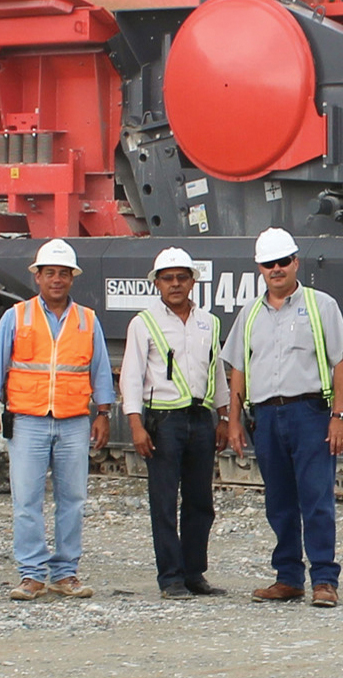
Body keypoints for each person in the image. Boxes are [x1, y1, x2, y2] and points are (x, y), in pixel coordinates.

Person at [221, 228, 343, 609]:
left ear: (296, 262)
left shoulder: (320, 305)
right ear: (260, 268)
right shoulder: (249, 315)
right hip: (266, 416)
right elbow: (239, 370)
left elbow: (340, 362)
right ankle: (288, 578)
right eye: (269, 264)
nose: (276, 269)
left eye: (283, 262)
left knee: (316, 499)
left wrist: (338, 416)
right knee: (279, 501)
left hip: (309, 413)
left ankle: (324, 580)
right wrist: (233, 421)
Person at [0, 239, 116, 601]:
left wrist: (103, 413)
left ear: (72, 278)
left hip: (72, 421)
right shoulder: (17, 316)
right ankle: (31, 574)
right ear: (37, 277)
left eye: (63, 273)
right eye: (50, 273)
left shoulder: (87, 320)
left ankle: (65, 573)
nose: (57, 279)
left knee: (72, 498)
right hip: (28, 420)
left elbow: (100, 369)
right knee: (27, 499)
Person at [119, 247, 230, 600]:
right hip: (163, 420)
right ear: (157, 284)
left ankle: (194, 572)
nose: (176, 284)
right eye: (168, 279)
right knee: (165, 501)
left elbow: (218, 372)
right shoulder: (144, 323)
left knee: (200, 501)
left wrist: (224, 417)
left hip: (200, 418)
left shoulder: (208, 322)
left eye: (182, 277)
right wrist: (136, 425)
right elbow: (132, 376)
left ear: (193, 281)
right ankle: (170, 577)